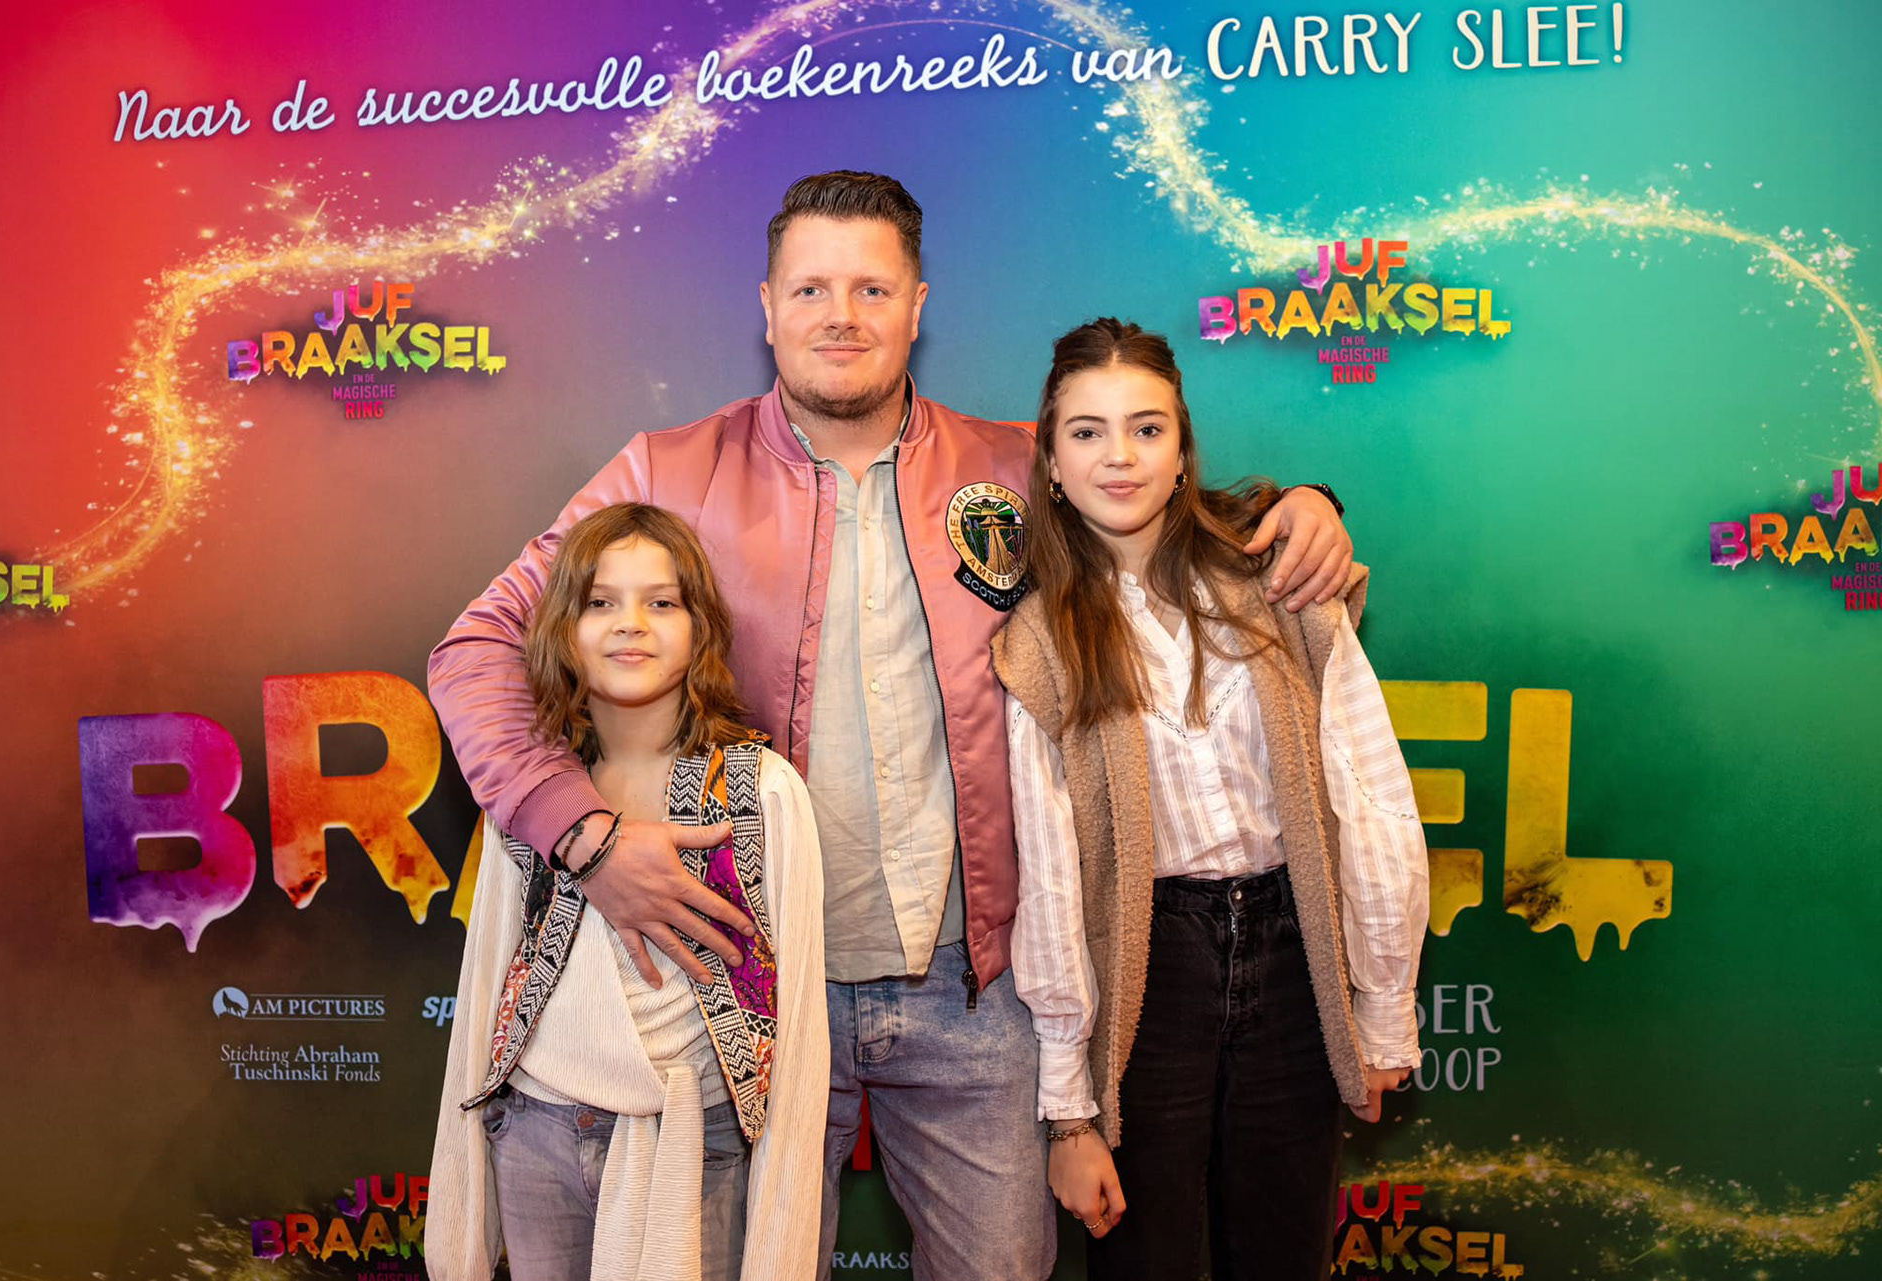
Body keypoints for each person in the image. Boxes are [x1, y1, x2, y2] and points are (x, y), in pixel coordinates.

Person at [427, 172, 1355, 1281]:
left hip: (978, 995)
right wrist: (582, 834)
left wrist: (1306, 507)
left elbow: (1163, 518)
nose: (841, 316)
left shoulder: (1016, 466)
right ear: (766, 307)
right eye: (811, 289)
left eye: (871, 289)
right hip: (749, 991)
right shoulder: (668, 473)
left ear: (918, 305)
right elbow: (475, 649)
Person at [992, 319, 1430, 1280]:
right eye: (1088, 431)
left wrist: (1382, 1006)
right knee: (1146, 1257)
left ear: (1184, 448)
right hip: (1150, 969)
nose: (1120, 455)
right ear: (1052, 461)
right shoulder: (1040, 638)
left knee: (1282, 1251)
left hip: (1292, 949)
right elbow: (1052, 883)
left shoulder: (1278, 576)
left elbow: (1369, 788)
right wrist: (1070, 1114)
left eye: (1147, 428)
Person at [428, 504, 826, 1281]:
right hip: (536, 1137)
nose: (630, 623)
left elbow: (802, 1026)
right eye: (600, 601)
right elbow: (483, 988)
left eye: (662, 601)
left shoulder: (760, 792)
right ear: (562, 629)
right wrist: (461, 1224)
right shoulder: (528, 792)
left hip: (699, 1142)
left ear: (701, 625)